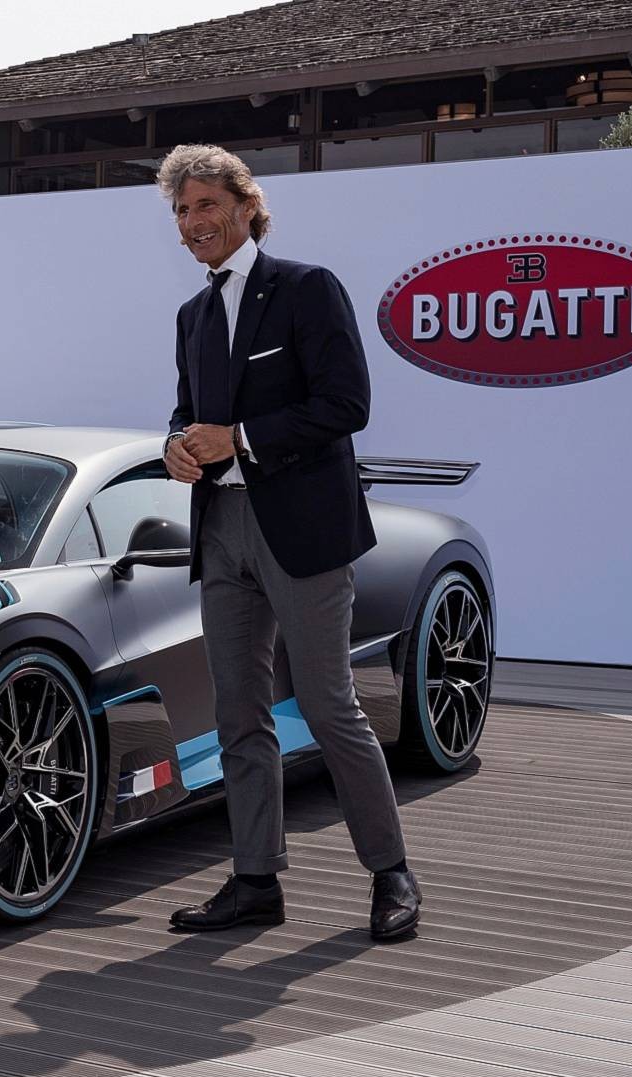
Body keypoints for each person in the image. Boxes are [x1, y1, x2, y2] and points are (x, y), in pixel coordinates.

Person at [155, 144, 419, 941]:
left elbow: (346, 404)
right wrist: (176, 445)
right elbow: (187, 411)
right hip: (222, 531)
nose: (192, 222)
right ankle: (255, 881)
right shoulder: (192, 316)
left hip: (302, 530)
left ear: (246, 206)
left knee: (330, 706)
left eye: (205, 205)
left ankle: (392, 872)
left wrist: (239, 438)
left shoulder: (307, 288)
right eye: (181, 212)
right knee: (237, 714)